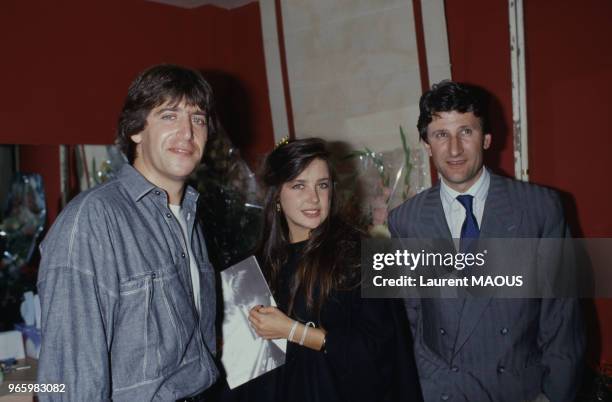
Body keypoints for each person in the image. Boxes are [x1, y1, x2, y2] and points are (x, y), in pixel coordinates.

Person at [388, 81, 585, 402]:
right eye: (441, 135)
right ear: (426, 144)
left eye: (465, 132)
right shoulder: (405, 221)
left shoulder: (539, 208)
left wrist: (552, 395)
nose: (454, 149)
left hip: (518, 391)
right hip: (441, 392)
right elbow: (411, 320)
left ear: (487, 138)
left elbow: (562, 318)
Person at [37, 64, 219, 401]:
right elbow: (69, 379)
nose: (187, 133)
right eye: (169, 115)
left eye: (198, 119)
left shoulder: (189, 216)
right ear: (136, 130)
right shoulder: (93, 220)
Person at [224, 138, 422, 402]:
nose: (313, 198)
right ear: (277, 196)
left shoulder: (367, 255)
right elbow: (246, 376)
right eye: (298, 186)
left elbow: (381, 351)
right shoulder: (252, 271)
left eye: (322, 185)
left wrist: (293, 331)